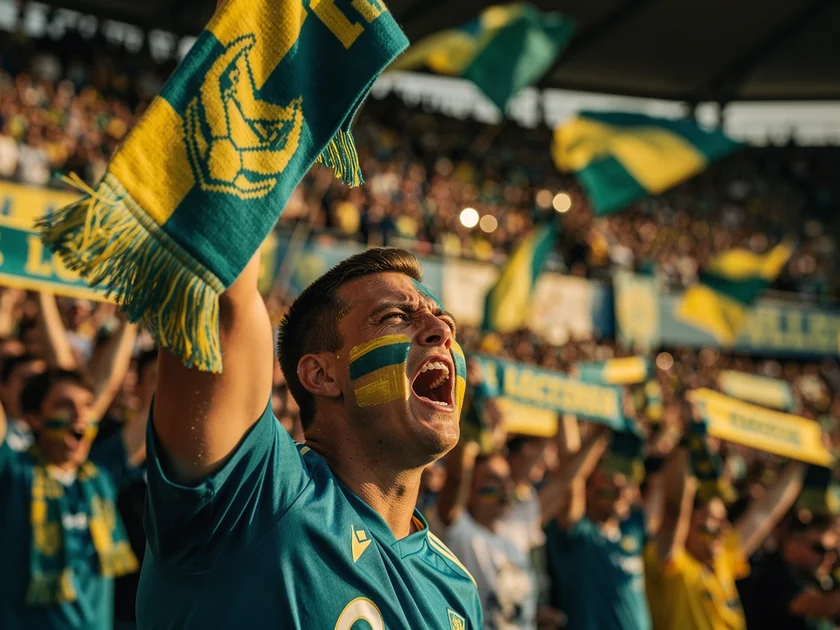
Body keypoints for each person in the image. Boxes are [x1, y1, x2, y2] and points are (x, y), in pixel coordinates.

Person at [137, 248, 482, 629]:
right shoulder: (255, 494)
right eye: (395, 316)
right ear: (322, 375)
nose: (443, 331)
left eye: (444, 319)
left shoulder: (458, 589)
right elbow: (220, 287)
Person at [0, 368, 148, 630]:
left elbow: (159, 413)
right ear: (34, 418)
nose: (81, 415)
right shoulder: (12, 473)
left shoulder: (101, 473)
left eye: (88, 405)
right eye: (64, 405)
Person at [644, 439, 806, 630]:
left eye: (724, 520)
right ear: (686, 523)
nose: (723, 529)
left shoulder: (723, 561)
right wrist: (689, 443)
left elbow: (765, 513)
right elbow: (674, 508)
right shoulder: (671, 564)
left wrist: (804, 454)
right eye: (712, 519)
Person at [740, 511, 840, 630]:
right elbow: (827, 606)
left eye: (834, 552)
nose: (829, 558)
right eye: (820, 549)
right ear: (793, 541)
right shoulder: (771, 573)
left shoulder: (818, 580)